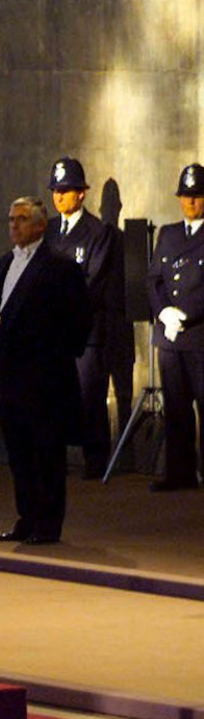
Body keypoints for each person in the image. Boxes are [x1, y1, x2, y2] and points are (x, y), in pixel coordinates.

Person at [0, 195, 91, 544]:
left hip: (44, 379)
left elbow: (79, 320)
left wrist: (50, 355)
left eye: (22, 219)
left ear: (41, 225)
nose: (15, 225)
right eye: (12, 219)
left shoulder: (59, 267)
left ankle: (48, 522)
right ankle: (26, 516)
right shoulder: (6, 261)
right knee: (19, 451)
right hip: (9, 375)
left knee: (46, 452)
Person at [43, 157, 132, 477]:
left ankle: (95, 461)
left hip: (83, 333)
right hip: (51, 331)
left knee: (88, 397)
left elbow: (91, 281)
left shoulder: (99, 232)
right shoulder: (49, 230)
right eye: (56, 190)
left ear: (81, 193)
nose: (59, 196)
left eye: (65, 190)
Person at [148, 163, 204, 492]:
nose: (191, 203)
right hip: (170, 338)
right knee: (176, 407)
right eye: (186, 196)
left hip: (199, 335)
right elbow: (153, 279)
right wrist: (164, 310)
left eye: (196, 196)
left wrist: (186, 314)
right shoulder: (168, 234)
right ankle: (179, 473)